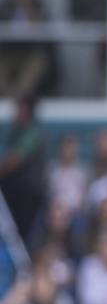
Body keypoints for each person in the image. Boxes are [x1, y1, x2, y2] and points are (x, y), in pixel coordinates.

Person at [0, 93, 46, 248]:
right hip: (16, 195)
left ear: (25, 110)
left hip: (25, 197)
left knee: (22, 239)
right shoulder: (17, 133)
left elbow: (14, 160)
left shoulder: (31, 133)